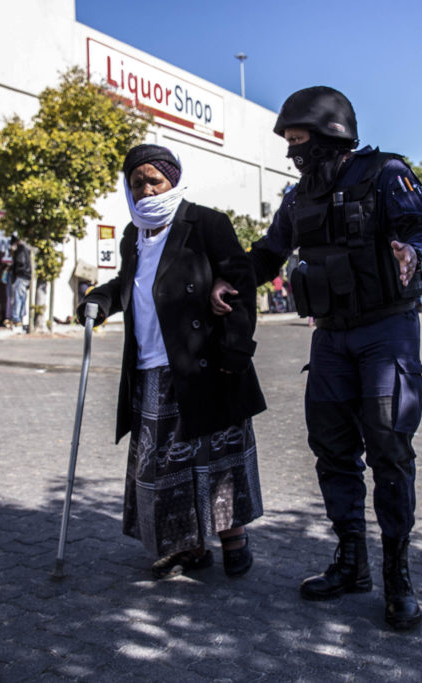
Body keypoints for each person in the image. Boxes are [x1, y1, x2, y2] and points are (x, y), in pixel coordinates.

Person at [210, 86, 422, 629]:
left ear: (331, 135)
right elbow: (269, 253)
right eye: (289, 144)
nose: (294, 153)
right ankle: (351, 562)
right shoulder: (299, 198)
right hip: (331, 337)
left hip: (387, 330)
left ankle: (398, 575)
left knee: (389, 450)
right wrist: (228, 279)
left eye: (300, 142)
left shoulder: (386, 174)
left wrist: (414, 253)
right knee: (332, 450)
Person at [78, 144, 266, 580]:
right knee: (167, 464)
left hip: (206, 364)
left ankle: (234, 540)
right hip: (151, 370)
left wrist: (236, 351)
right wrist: (101, 301)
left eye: (154, 180)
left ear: (173, 180)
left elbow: (240, 283)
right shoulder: (133, 235)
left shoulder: (206, 224)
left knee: (217, 458)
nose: (145, 189)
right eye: (136, 182)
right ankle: (188, 545)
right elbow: (130, 283)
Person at [8, 235, 31, 329]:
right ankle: (20, 318)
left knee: (18, 297)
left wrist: (16, 273)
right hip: (26, 276)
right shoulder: (25, 250)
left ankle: (16, 318)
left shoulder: (20, 250)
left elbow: (20, 263)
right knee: (22, 297)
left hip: (21, 277)